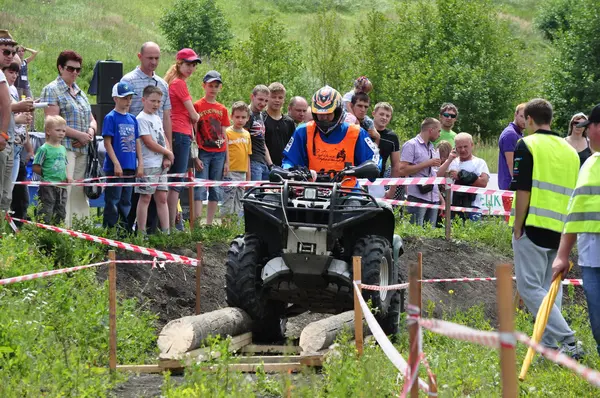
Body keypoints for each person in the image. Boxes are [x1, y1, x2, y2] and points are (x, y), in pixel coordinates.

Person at [509, 98, 583, 359]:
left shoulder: (526, 144)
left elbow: (523, 189)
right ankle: (551, 347)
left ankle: (568, 340)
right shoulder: (571, 152)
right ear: (550, 119)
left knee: (530, 288)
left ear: (529, 119)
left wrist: (518, 226)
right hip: (562, 231)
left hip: (533, 226)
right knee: (551, 288)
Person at [552, 103, 600, 356]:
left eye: (588, 128)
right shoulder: (591, 164)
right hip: (592, 258)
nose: (586, 134)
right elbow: (576, 212)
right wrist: (562, 255)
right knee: (598, 323)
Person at [41, 50, 97, 227]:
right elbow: (52, 123)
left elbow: (92, 119)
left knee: (80, 192)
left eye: (78, 70)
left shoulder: (80, 92)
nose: (75, 73)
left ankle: (82, 229)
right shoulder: (52, 89)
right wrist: (79, 135)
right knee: (64, 191)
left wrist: (89, 132)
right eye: (70, 68)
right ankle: (63, 231)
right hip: (62, 150)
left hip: (83, 149)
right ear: (60, 67)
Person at [121, 42, 172, 233]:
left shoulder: (163, 84)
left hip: (159, 145)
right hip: (135, 142)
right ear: (139, 56)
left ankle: (154, 231)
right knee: (135, 193)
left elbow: (166, 117)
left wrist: (169, 150)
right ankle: (129, 231)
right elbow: (121, 110)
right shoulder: (129, 80)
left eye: (157, 58)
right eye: (150, 58)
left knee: (158, 195)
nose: (153, 62)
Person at [282, 86, 380, 183]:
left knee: (357, 199)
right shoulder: (303, 131)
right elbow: (289, 160)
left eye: (328, 114)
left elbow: (374, 158)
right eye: (320, 114)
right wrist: (290, 171)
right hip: (311, 190)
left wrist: (370, 167)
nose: (324, 118)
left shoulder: (356, 133)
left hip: (347, 191)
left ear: (338, 112)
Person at [164, 48, 201, 228]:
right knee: (175, 183)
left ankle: (170, 224)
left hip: (176, 132)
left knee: (173, 181)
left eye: (193, 65)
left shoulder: (172, 82)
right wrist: (196, 116)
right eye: (188, 64)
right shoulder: (179, 84)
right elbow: (194, 115)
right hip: (181, 132)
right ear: (179, 64)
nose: (191, 68)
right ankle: (171, 226)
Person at [0, 31, 34, 216]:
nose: (10, 56)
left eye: (13, 52)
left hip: (12, 142)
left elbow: (6, 106)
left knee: (6, 197)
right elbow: (6, 106)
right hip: (5, 140)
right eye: (6, 52)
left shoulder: (5, 81)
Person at [102, 82, 143, 230]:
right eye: (124, 98)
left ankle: (124, 231)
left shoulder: (132, 119)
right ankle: (110, 231)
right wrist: (116, 163)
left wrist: (140, 163)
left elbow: (137, 142)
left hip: (130, 166)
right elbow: (107, 143)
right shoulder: (110, 118)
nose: (128, 101)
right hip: (115, 167)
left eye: (130, 98)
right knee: (113, 199)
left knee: (126, 200)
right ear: (115, 98)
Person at [193, 70, 230, 225]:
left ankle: (209, 223)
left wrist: (227, 161)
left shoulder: (222, 109)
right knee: (200, 187)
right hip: (203, 151)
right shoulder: (197, 105)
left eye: (216, 86)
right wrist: (195, 156)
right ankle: (196, 223)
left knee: (215, 188)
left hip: (219, 152)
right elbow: (193, 132)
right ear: (204, 86)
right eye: (210, 85)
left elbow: (224, 134)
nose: (213, 89)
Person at [135, 85, 173, 235]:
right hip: (148, 164)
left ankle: (166, 232)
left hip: (161, 163)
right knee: (145, 197)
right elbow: (148, 141)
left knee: (162, 197)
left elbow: (163, 137)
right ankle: (141, 233)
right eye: (153, 101)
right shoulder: (140, 119)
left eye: (159, 101)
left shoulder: (157, 117)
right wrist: (168, 152)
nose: (156, 104)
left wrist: (167, 154)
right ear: (144, 100)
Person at [399, 118, 442, 227]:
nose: (440, 134)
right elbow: (402, 169)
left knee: (430, 235)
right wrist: (428, 163)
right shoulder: (411, 145)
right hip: (417, 196)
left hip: (433, 197)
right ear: (431, 130)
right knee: (415, 234)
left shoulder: (432, 147)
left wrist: (440, 198)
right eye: (439, 131)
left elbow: (433, 173)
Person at [438, 132, 490, 221]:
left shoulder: (479, 162)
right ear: (455, 147)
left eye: (465, 146)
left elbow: (483, 183)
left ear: (472, 145)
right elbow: (437, 177)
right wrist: (449, 160)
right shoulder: (452, 162)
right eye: (459, 147)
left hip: (473, 206)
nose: (462, 150)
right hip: (452, 205)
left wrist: (460, 176)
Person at [32, 115, 69, 225]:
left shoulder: (62, 149)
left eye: (63, 130)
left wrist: (68, 176)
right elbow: (35, 166)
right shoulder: (44, 149)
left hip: (61, 185)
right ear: (48, 131)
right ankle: (43, 232)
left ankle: (57, 232)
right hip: (48, 185)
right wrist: (47, 175)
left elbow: (65, 164)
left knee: (61, 211)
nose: (61, 133)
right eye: (58, 130)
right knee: (46, 210)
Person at [221, 101, 252, 224]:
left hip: (242, 172)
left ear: (247, 118)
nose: (240, 120)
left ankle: (234, 226)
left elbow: (248, 155)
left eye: (243, 117)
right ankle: (224, 227)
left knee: (239, 201)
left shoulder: (247, 134)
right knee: (228, 200)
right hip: (230, 172)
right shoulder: (227, 132)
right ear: (231, 117)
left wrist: (248, 176)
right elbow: (224, 152)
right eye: (237, 117)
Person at [3, 60, 33, 183]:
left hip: (18, 146)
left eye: (16, 73)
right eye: (11, 72)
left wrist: (30, 149)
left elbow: (22, 124)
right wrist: (17, 119)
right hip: (7, 143)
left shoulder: (14, 90)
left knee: (9, 190)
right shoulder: (3, 90)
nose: (14, 76)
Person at [498, 103, 526, 221]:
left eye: (527, 117)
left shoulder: (518, 133)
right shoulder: (510, 134)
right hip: (511, 185)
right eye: (522, 116)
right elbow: (511, 163)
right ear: (515, 115)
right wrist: (518, 185)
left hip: (512, 185)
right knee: (512, 221)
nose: (524, 120)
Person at [372, 102, 401, 199]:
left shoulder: (392, 137)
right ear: (373, 113)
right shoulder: (362, 130)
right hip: (357, 180)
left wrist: (392, 190)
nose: (384, 117)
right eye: (381, 114)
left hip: (378, 182)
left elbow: (396, 166)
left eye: (387, 116)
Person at [263, 82, 295, 167]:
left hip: (285, 167)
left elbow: (292, 146)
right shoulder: (261, 119)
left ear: (284, 100)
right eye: (273, 97)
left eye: (280, 97)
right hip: (265, 167)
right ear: (267, 98)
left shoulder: (289, 122)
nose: (277, 100)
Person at [245, 84, 273, 181]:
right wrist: (247, 170)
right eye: (260, 99)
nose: (263, 103)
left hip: (263, 163)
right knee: (254, 195)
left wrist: (271, 164)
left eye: (266, 101)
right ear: (252, 97)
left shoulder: (261, 115)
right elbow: (243, 142)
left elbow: (262, 142)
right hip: (252, 162)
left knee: (263, 195)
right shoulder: (247, 115)